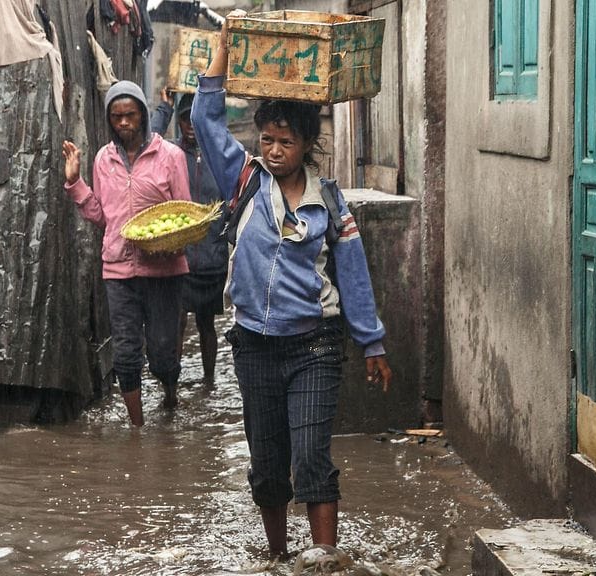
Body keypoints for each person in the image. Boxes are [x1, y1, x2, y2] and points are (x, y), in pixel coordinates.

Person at [190, 14, 394, 557]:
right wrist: (221, 55)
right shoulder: (245, 180)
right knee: (268, 460)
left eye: (286, 141)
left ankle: (323, 560)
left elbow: (352, 275)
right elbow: (204, 118)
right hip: (255, 345)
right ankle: (278, 557)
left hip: (314, 346)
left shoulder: (329, 201)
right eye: (268, 139)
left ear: (307, 144)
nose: (275, 149)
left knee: (310, 454)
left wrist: (371, 342)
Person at [62, 80, 191, 427]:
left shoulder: (171, 157)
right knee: (126, 352)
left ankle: (169, 391)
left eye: (130, 115)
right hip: (118, 270)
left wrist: (175, 241)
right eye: (116, 117)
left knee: (163, 351)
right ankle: (137, 427)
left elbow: (186, 213)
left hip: (164, 269)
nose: (123, 123)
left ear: (143, 115)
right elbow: (103, 217)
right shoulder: (104, 160)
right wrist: (75, 184)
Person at [152, 90, 230, 388]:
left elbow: (232, 198)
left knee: (207, 323)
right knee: (178, 323)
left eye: (194, 120)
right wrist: (166, 108)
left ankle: (209, 382)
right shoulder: (170, 153)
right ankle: (172, 385)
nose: (190, 127)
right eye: (184, 120)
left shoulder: (220, 155)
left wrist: (225, 235)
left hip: (212, 255)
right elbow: (149, 141)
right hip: (179, 255)